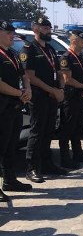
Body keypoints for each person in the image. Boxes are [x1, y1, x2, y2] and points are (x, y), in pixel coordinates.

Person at [21, 17, 66, 183]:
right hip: (39, 97)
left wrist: (60, 89)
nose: (48, 30)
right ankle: (31, 168)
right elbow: (30, 77)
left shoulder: (51, 49)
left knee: (49, 131)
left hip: (52, 97)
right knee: (37, 131)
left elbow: (59, 72)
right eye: (44, 28)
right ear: (35, 29)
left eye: (49, 27)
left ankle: (47, 163)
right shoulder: (29, 49)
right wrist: (52, 90)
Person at [0, 20, 32, 199]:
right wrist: (20, 92)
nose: (12, 35)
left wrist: (27, 89)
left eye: (12, 32)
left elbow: (24, 75)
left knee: (11, 146)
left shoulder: (12, 53)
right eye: (8, 33)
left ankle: (9, 180)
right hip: (3, 107)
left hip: (14, 106)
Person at [58, 31, 83, 169]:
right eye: (82, 42)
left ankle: (78, 153)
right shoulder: (66, 58)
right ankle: (65, 158)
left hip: (78, 96)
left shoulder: (78, 57)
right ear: (74, 42)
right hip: (69, 98)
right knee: (67, 128)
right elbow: (67, 80)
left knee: (77, 127)